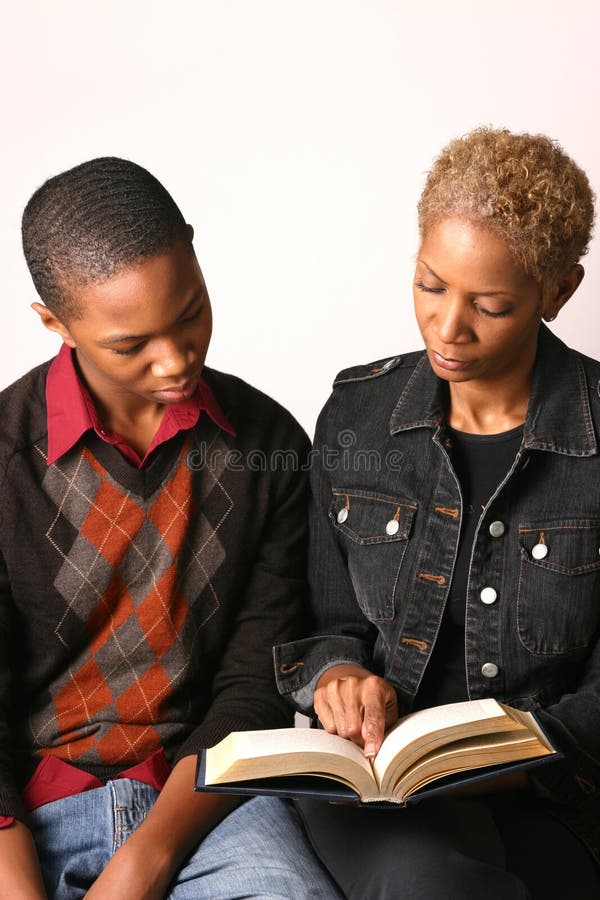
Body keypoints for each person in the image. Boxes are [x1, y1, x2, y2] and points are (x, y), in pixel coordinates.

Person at [0, 158, 342, 899]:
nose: (178, 358)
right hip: (22, 814)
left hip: (206, 802)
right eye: (131, 346)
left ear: (194, 249)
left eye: (191, 312)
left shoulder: (268, 444)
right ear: (54, 323)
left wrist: (146, 861)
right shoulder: (6, 459)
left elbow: (256, 680)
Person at [275, 127, 600, 899]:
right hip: (385, 793)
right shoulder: (357, 413)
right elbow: (320, 618)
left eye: (489, 305)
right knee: (428, 881)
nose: (448, 329)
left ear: (558, 292)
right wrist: (340, 675)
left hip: (555, 790)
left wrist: (514, 760)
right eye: (430, 285)